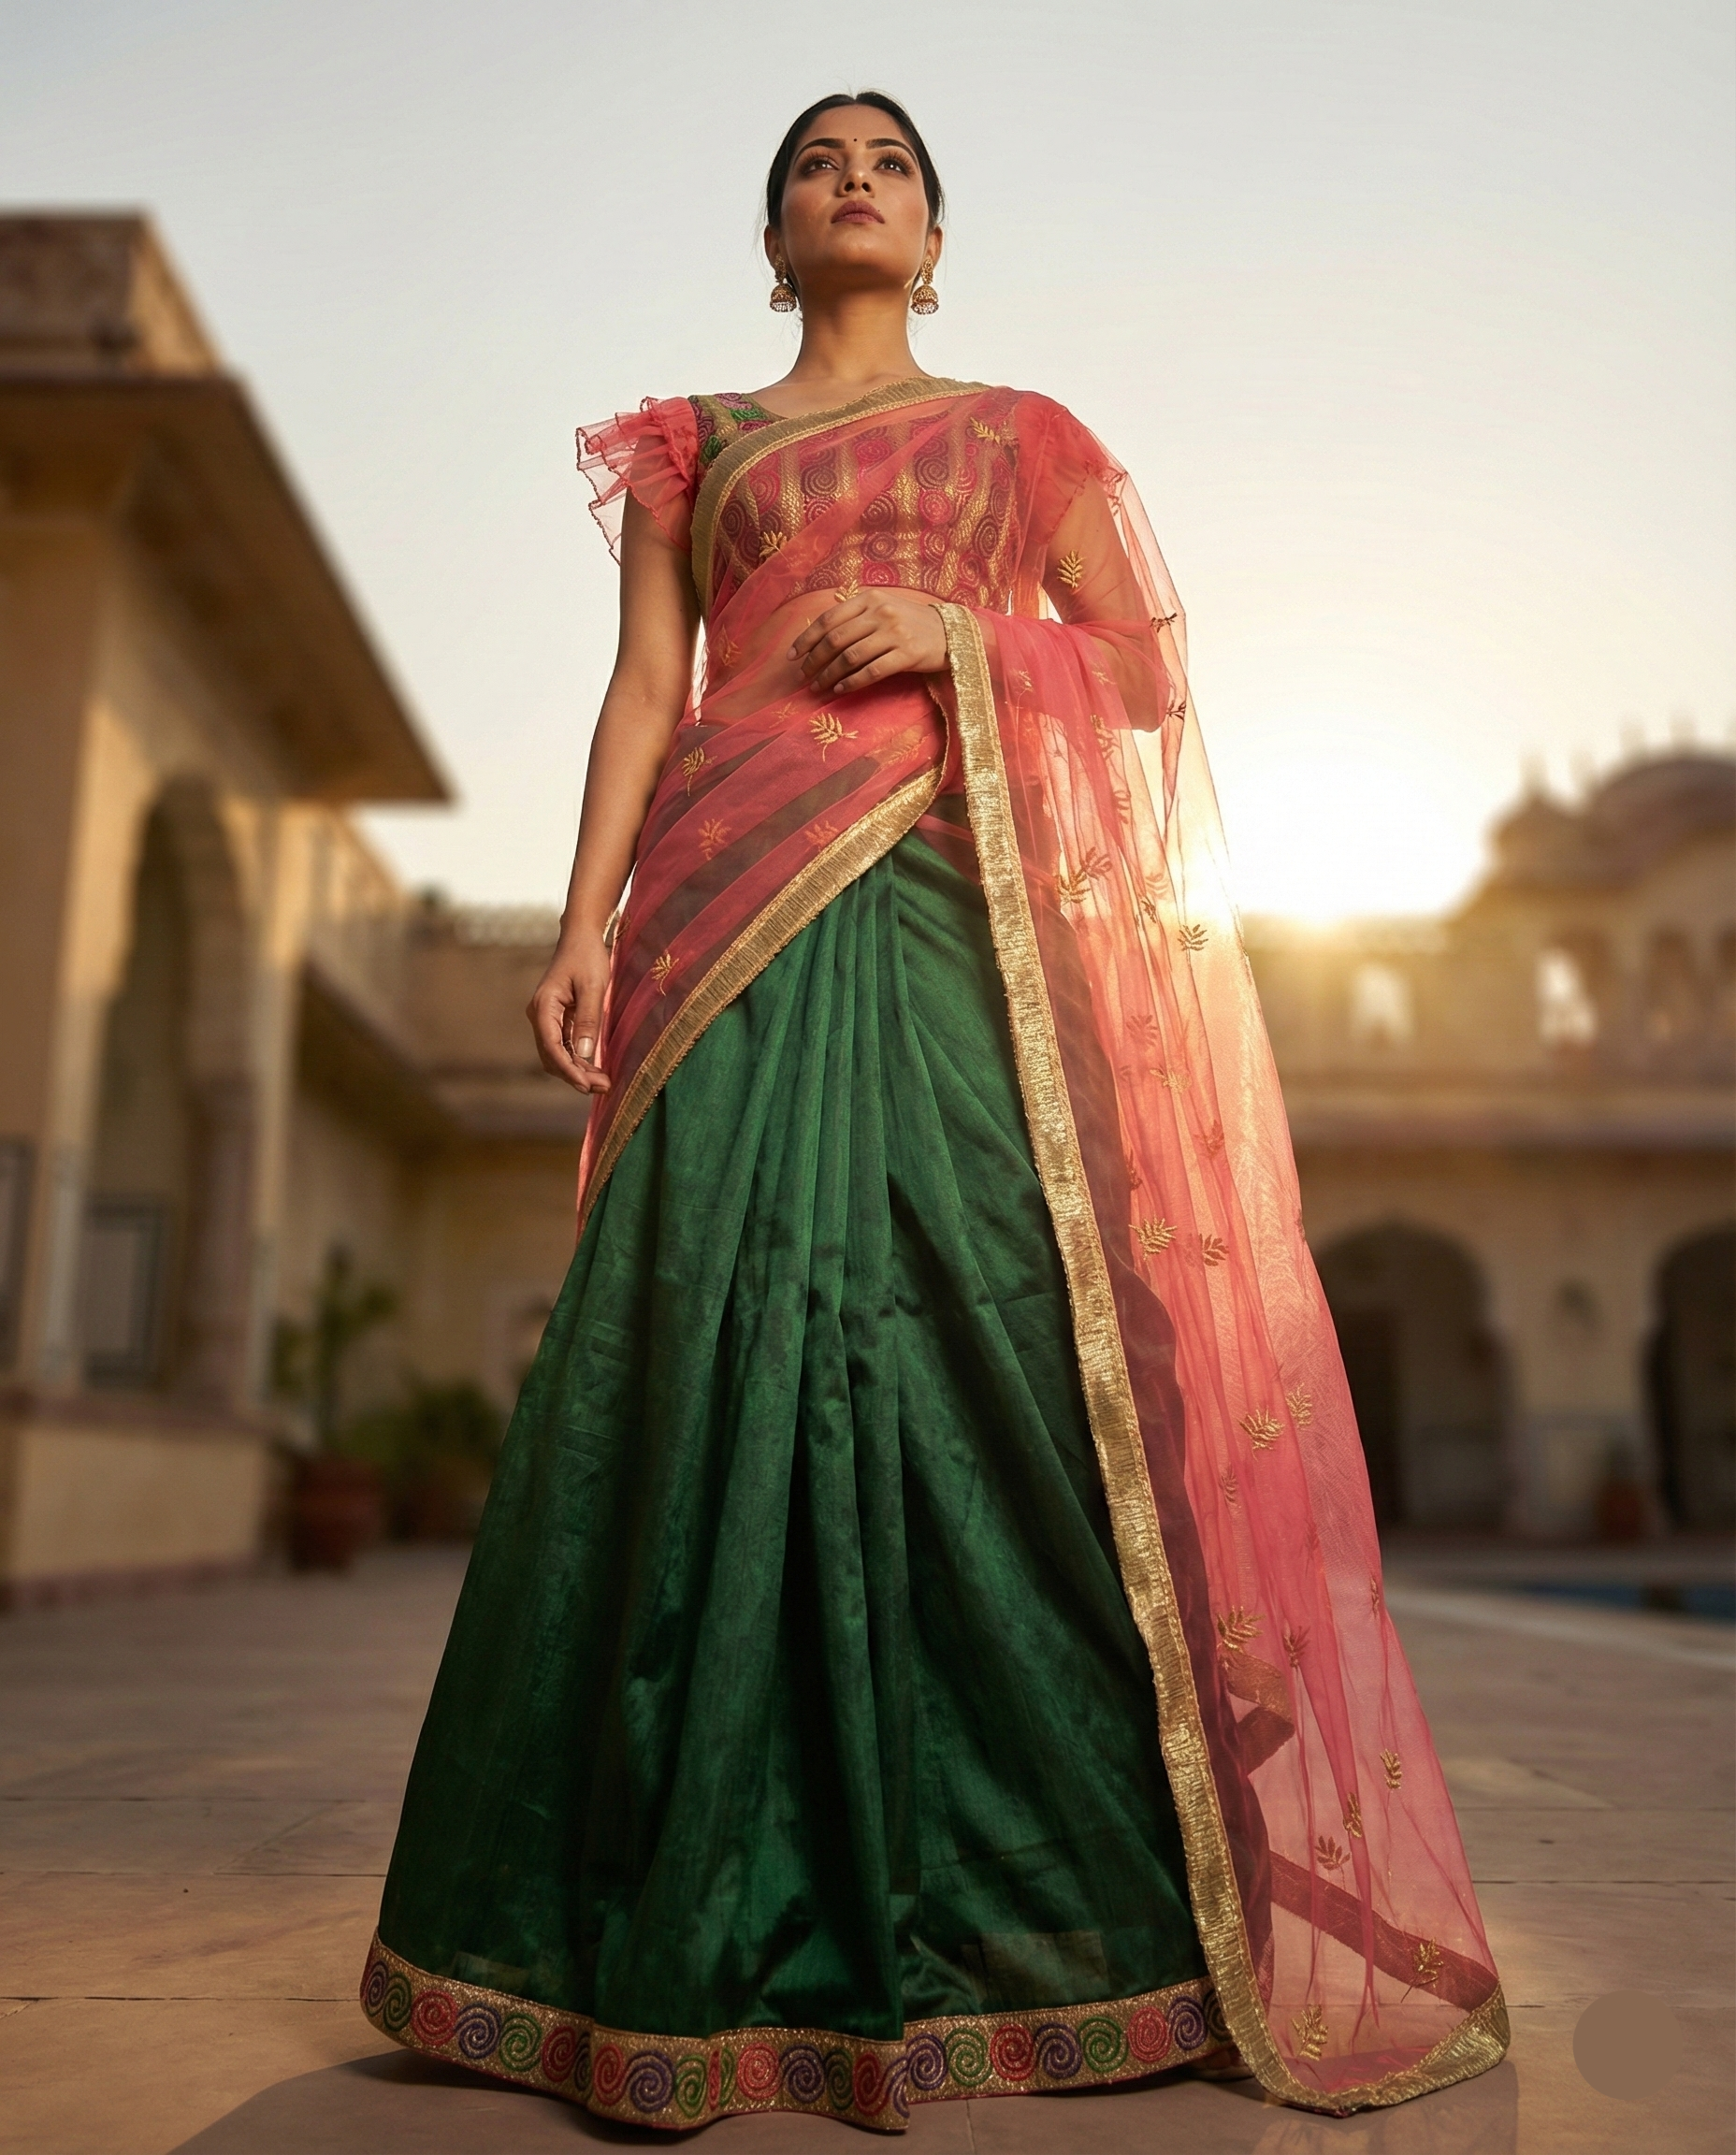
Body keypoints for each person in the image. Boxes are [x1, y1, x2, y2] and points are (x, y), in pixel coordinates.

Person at [361, 91, 1507, 2133]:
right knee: (698, 1331)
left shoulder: (1022, 441)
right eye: (815, 165)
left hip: (945, 921)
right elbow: (647, 687)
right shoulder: (687, 449)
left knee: (987, 1340)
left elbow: (1145, 676)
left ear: (937, 237)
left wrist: (968, 636)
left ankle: (1059, 1902)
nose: (853, 182)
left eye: (888, 162)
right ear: (774, 237)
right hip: (723, 902)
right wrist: (582, 926)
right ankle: (650, 1912)